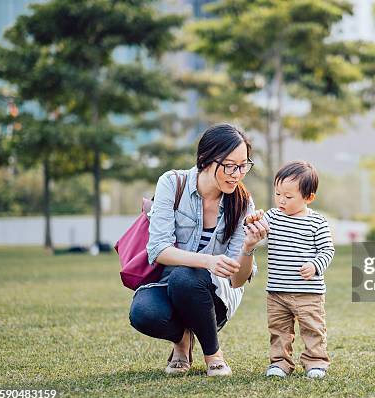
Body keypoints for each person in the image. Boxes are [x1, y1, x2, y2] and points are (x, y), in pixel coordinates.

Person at [128, 123, 269, 376]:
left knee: (186, 278)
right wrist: (208, 260)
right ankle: (182, 338)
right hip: (168, 284)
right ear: (205, 159)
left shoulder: (242, 202)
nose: (236, 174)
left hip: (214, 297)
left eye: (243, 165)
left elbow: (237, 281)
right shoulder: (172, 183)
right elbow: (158, 249)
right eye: (229, 165)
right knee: (143, 312)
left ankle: (213, 354)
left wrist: (249, 247)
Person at [246, 161, 335, 379]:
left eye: (288, 196)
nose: (281, 200)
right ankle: (280, 363)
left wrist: (315, 265)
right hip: (277, 291)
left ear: (308, 197)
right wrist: (252, 221)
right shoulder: (272, 217)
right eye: (278, 194)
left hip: (308, 292)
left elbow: (327, 249)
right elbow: (254, 231)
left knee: (312, 328)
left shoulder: (317, 222)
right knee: (279, 330)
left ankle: (315, 362)